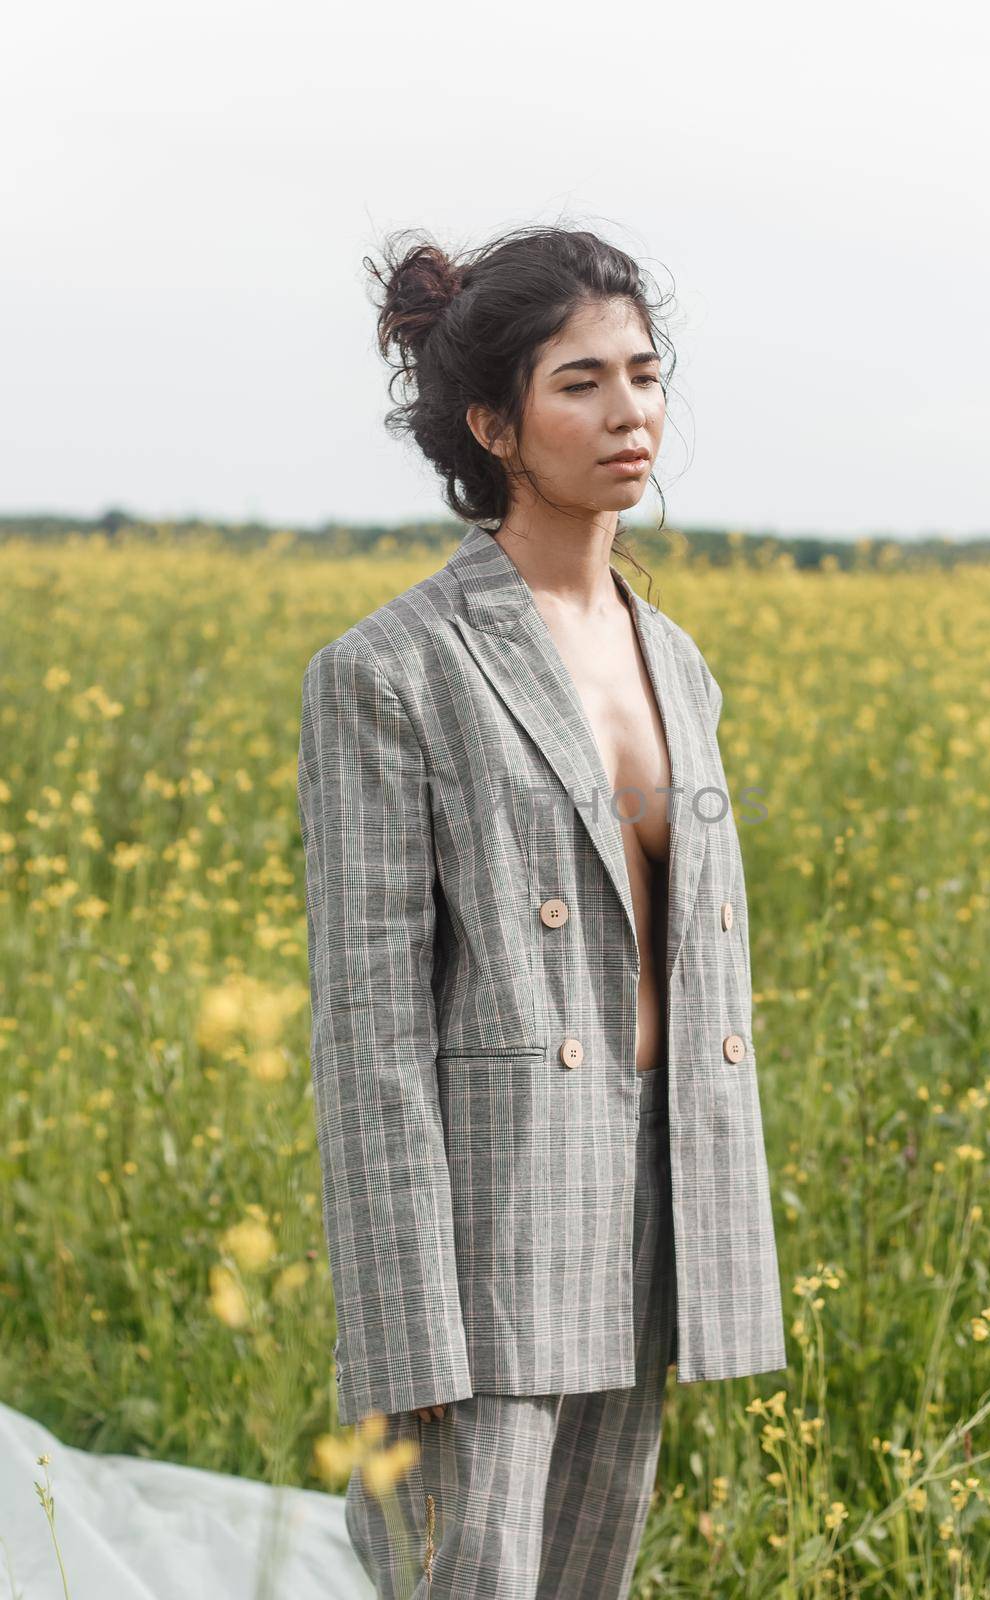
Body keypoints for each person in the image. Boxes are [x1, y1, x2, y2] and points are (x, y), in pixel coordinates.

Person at [297, 223, 787, 1598]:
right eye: (581, 383)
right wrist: (409, 1335)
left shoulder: (676, 658)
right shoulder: (390, 671)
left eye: (644, 372)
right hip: (487, 1223)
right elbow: (367, 1033)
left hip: (654, 1193)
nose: (630, 413)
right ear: (492, 423)